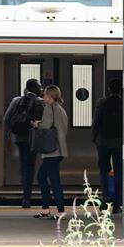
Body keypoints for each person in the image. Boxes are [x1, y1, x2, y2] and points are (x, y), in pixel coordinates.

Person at [3, 79, 44, 208]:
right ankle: (27, 197)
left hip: (19, 139)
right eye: (40, 87)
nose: (41, 90)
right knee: (30, 167)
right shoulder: (40, 102)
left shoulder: (16, 100)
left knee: (23, 166)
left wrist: (11, 133)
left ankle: (25, 197)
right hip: (33, 140)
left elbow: (7, 118)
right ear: (35, 88)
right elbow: (44, 122)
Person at [33, 85, 69, 220]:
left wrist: (37, 124)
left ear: (50, 96)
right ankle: (46, 209)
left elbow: (45, 126)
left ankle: (60, 212)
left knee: (54, 181)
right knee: (42, 177)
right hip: (59, 150)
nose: (43, 97)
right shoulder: (61, 109)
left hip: (52, 151)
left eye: (45, 95)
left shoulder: (49, 108)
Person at [92, 78, 123, 210]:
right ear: (121, 89)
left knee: (104, 171)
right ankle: (117, 204)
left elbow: (96, 121)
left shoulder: (101, 102)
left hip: (103, 142)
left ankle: (105, 199)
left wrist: (94, 138)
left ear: (109, 89)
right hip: (119, 142)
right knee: (119, 172)